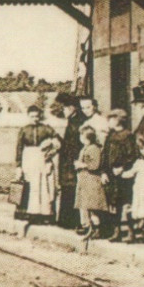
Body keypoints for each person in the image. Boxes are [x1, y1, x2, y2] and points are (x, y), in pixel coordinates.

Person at [13, 104, 60, 225]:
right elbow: (19, 148)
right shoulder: (24, 130)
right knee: (31, 185)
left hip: (42, 158)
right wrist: (18, 165)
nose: (35, 119)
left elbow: (58, 141)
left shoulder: (46, 128)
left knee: (43, 186)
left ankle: (45, 213)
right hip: (28, 158)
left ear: (40, 116)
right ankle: (30, 213)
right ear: (28, 116)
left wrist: (52, 148)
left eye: (37, 116)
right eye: (32, 116)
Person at [101, 108, 138, 240]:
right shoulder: (110, 136)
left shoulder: (127, 135)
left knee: (126, 202)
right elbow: (104, 155)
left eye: (110, 119)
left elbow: (132, 155)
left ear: (118, 120)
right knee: (113, 204)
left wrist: (122, 167)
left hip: (123, 175)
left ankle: (130, 231)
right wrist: (104, 172)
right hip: (111, 174)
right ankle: (116, 231)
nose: (108, 122)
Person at [50, 92, 83, 231]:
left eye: (63, 108)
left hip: (71, 161)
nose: (62, 111)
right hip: (68, 161)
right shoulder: (73, 120)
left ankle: (70, 220)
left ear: (71, 108)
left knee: (70, 189)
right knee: (67, 188)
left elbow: (74, 145)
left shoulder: (77, 122)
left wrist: (60, 143)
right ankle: (66, 220)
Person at [73, 126, 110, 241]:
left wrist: (81, 165)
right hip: (85, 180)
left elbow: (95, 165)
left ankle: (97, 229)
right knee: (86, 206)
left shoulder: (93, 149)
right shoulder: (86, 148)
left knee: (93, 207)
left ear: (86, 138)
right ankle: (90, 228)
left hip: (91, 180)